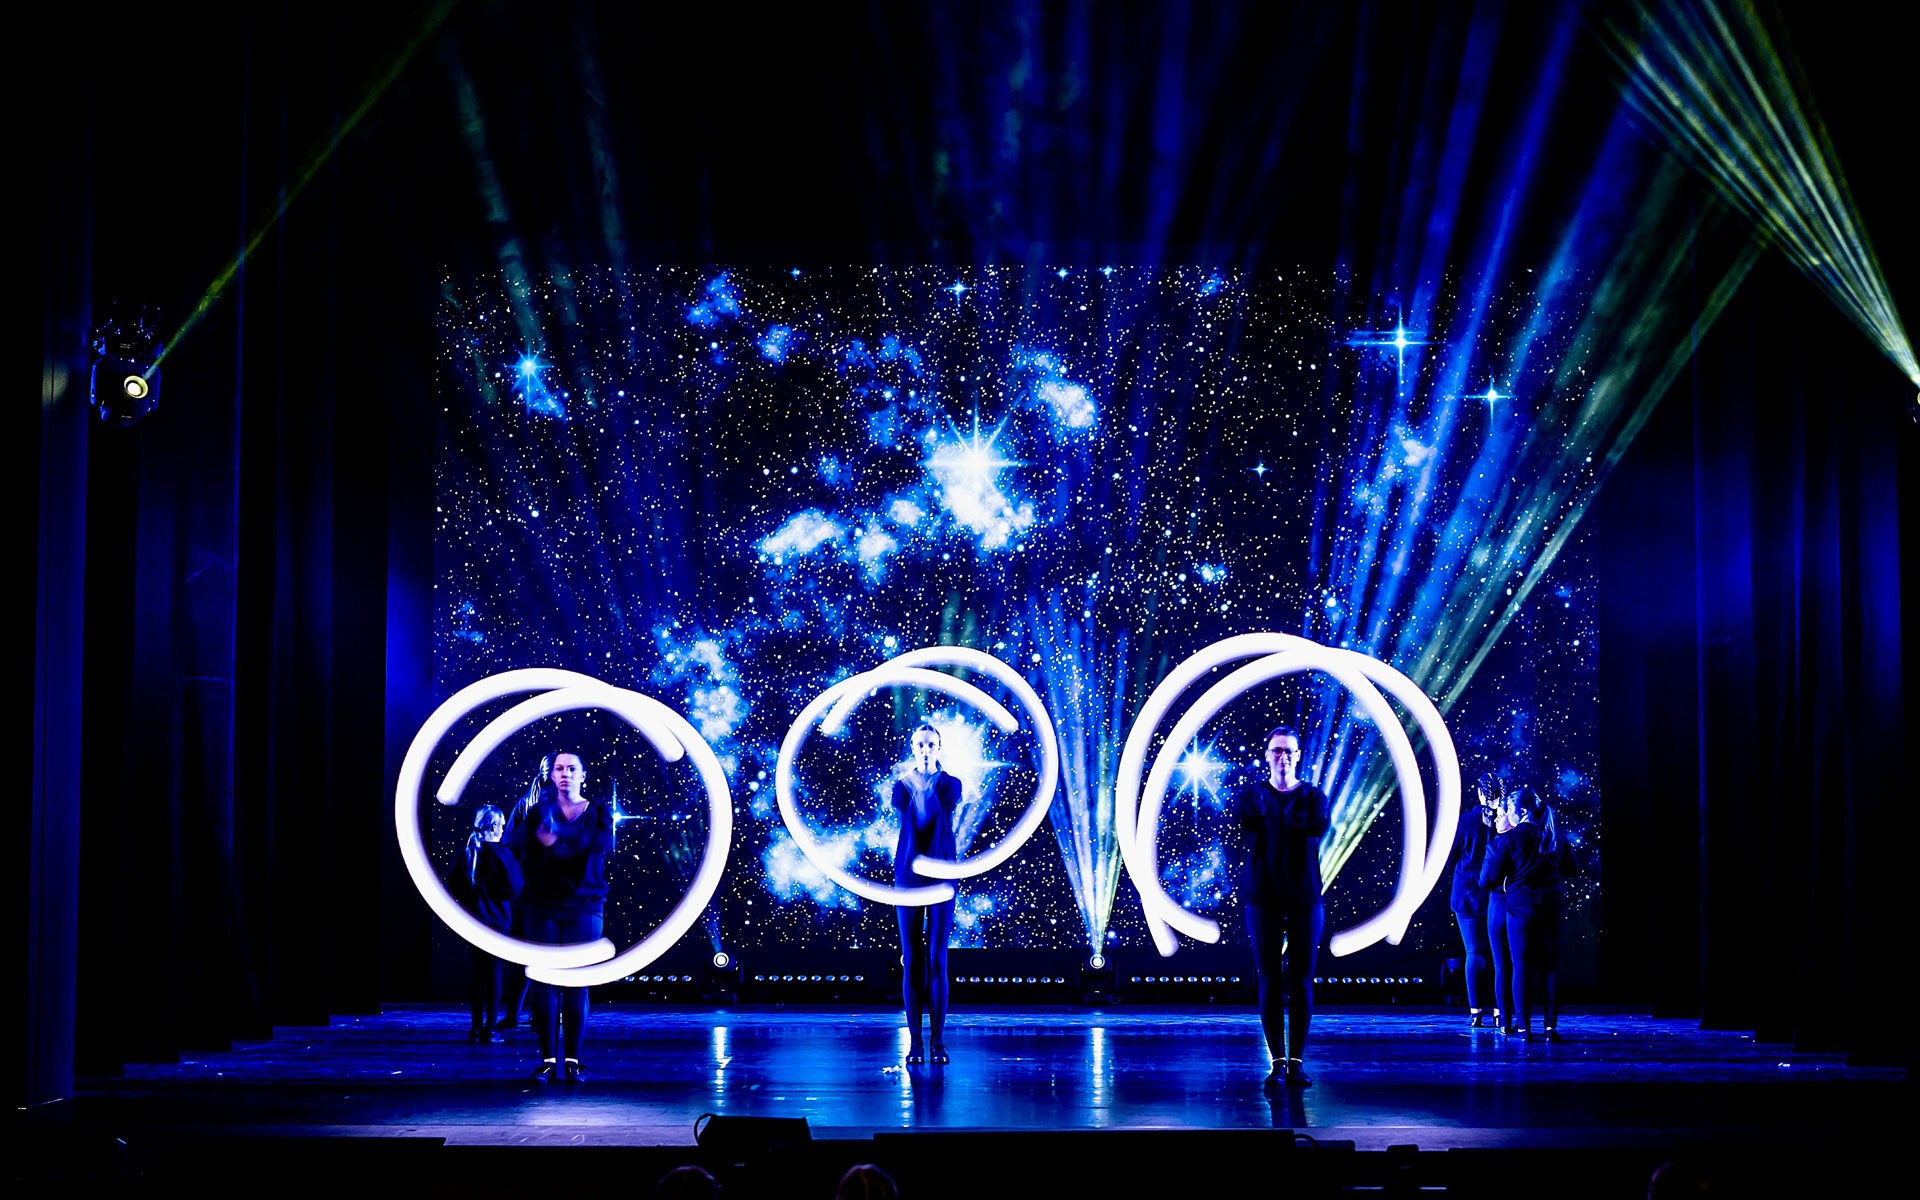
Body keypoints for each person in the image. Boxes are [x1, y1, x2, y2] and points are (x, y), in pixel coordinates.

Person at [1234, 724, 1332, 1091]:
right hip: (1263, 898)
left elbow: (1318, 826)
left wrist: (1289, 806)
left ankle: (1297, 1062)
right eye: (1277, 750)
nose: (1283, 757)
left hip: (1305, 898)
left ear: (1298, 756)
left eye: (1289, 751)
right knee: (1270, 980)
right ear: (1267, 755)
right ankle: (1277, 1062)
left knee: (1303, 981)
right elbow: (1247, 822)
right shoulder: (1254, 795)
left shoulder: (1312, 796)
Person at [508, 751, 615, 1082]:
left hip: (584, 904)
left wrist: (558, 836)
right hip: (541, 905)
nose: (565, 773)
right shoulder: (536, 811)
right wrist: (542, 834)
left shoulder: (598, 810)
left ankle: (572, 1061)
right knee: (544, 984)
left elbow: (602, 844)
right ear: (552, 775)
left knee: (576, 984)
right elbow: (515, 844)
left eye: (572, 768)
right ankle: (547, 1061)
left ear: (582, 775)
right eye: (559, 768)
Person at [1480, 784, 1580, 1040]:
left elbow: (1486, 880)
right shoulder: (1554, 835)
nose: (1507, 814)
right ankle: (1550, 1028)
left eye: (1509, 810)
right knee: (1550, 968)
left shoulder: (1507, 839)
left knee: (1521, 967)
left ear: (1521, 811)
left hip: (1520, 908)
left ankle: (1524, 1029)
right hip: (1551, 906)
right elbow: (1572, 869)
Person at [892, 723, 960, 1066]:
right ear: (912, 747)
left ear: (939, 747)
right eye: (920, 744)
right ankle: (915, 1043)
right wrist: (913, 783)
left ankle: (938, 1043)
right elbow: (913, 822)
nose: (925, 749)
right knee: (912, 960)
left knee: (936, 960)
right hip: (908, 875)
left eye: (931, 744)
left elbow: (936, 811)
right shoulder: (901, 786)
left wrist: (921, 784)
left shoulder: (951, 784)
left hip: (942, 874)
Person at [462, 804, 523, 1042]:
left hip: (473, 923)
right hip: (496, 923)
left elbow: (455, 885)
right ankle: (489, 1029)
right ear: (495, 826)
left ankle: (476, 1027)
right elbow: (514, 887)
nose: (504, 828)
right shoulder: (501, 854)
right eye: (502, 824)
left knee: (478, 975)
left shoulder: (468, 852)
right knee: (494, 975)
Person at [1450, 774, 1503, 1029]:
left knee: (1474, 952)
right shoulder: (1507, 822)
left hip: (1468, 895)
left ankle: (1475, 1012)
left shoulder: (1465, 821)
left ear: (1480, 793)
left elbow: (1450, 857)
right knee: (1498, 956)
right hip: (1498, 895)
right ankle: (1500, 1010)